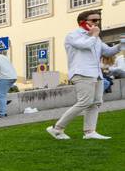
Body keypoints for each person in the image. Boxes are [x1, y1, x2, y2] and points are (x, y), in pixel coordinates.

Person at [48, 9, 122, 141]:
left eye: (98, 20)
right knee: (85, 102)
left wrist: (121, 44)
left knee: (96, 102)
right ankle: (57, 128)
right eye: (94, 20)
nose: (97, 23)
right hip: (81, 72)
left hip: (96, 73)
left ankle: (90, 132)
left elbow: (108, 52)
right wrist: (93, 36)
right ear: (83, 22)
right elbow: (84, 46)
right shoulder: (73, 35)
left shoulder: (96, 38)